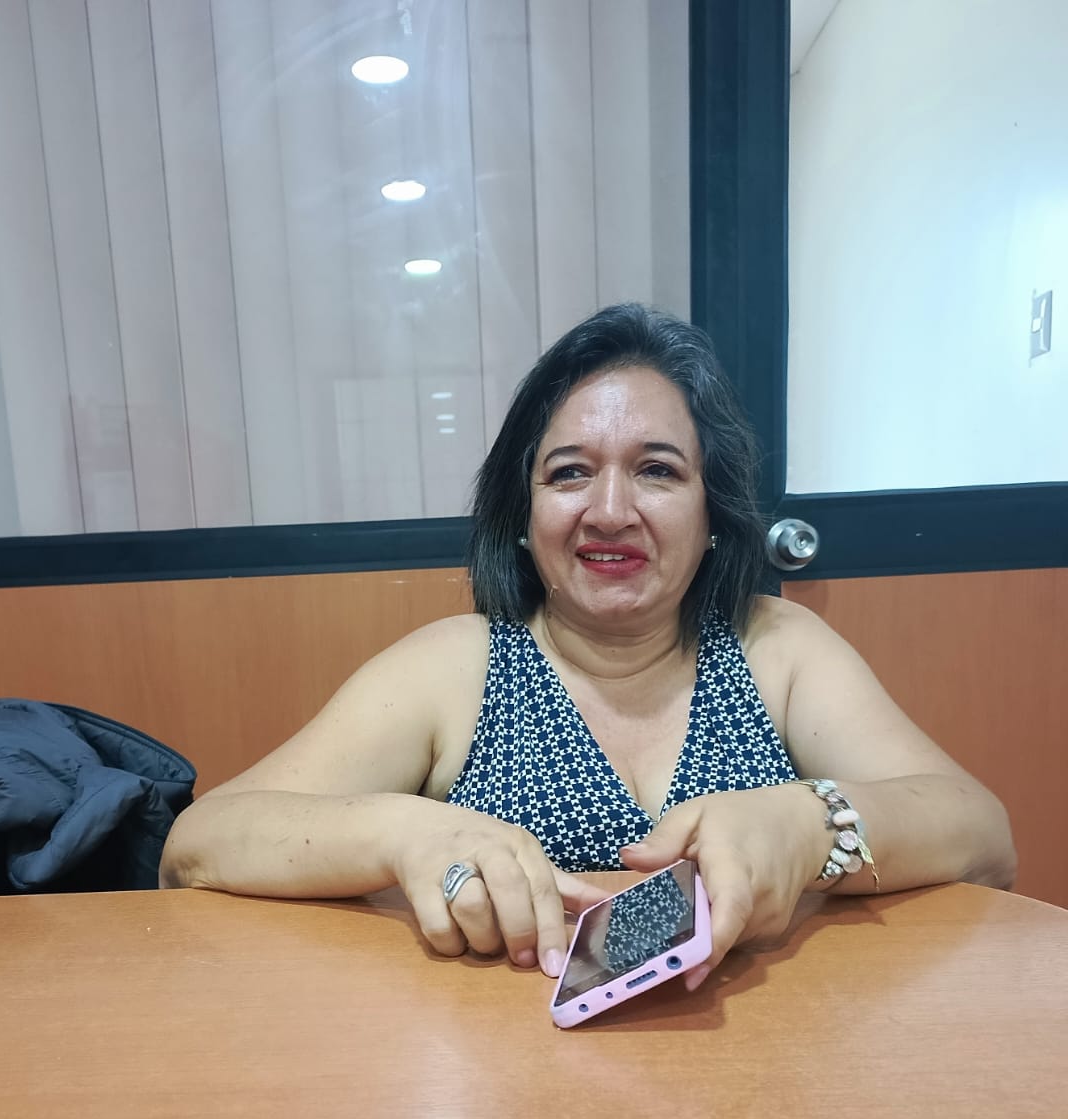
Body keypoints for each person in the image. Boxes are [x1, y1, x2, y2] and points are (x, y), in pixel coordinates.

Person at [160, 304, 1016, 988]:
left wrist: (806, 825)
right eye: (569, 472)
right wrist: (402, 834)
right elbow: (198, 847)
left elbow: (983, 837)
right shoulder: (457, 666)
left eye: (658, 470)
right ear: (523, 516)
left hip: (761, 1066)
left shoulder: (777, 646)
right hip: (510, 1079)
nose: (609, 512)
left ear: (714, 513)